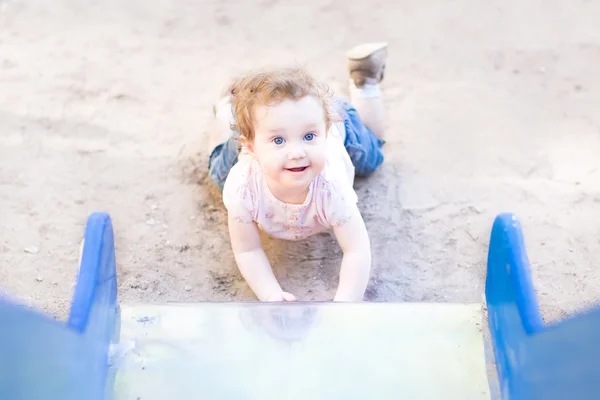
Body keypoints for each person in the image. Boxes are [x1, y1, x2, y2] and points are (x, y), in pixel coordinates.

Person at [206, 42, 388, 302]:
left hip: (331, 115)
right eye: (279, 141)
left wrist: (344, 306)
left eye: (309, 137)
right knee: (218, 169)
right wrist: (270, 295)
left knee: (371, 155)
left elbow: (357, 250)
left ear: (325, 133)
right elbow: (247, 251)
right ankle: (227, 105)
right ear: (251, 148)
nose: (297, 152)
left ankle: (365, 85)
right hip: (267, 130)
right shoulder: (243, 185)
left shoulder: (332, 186)